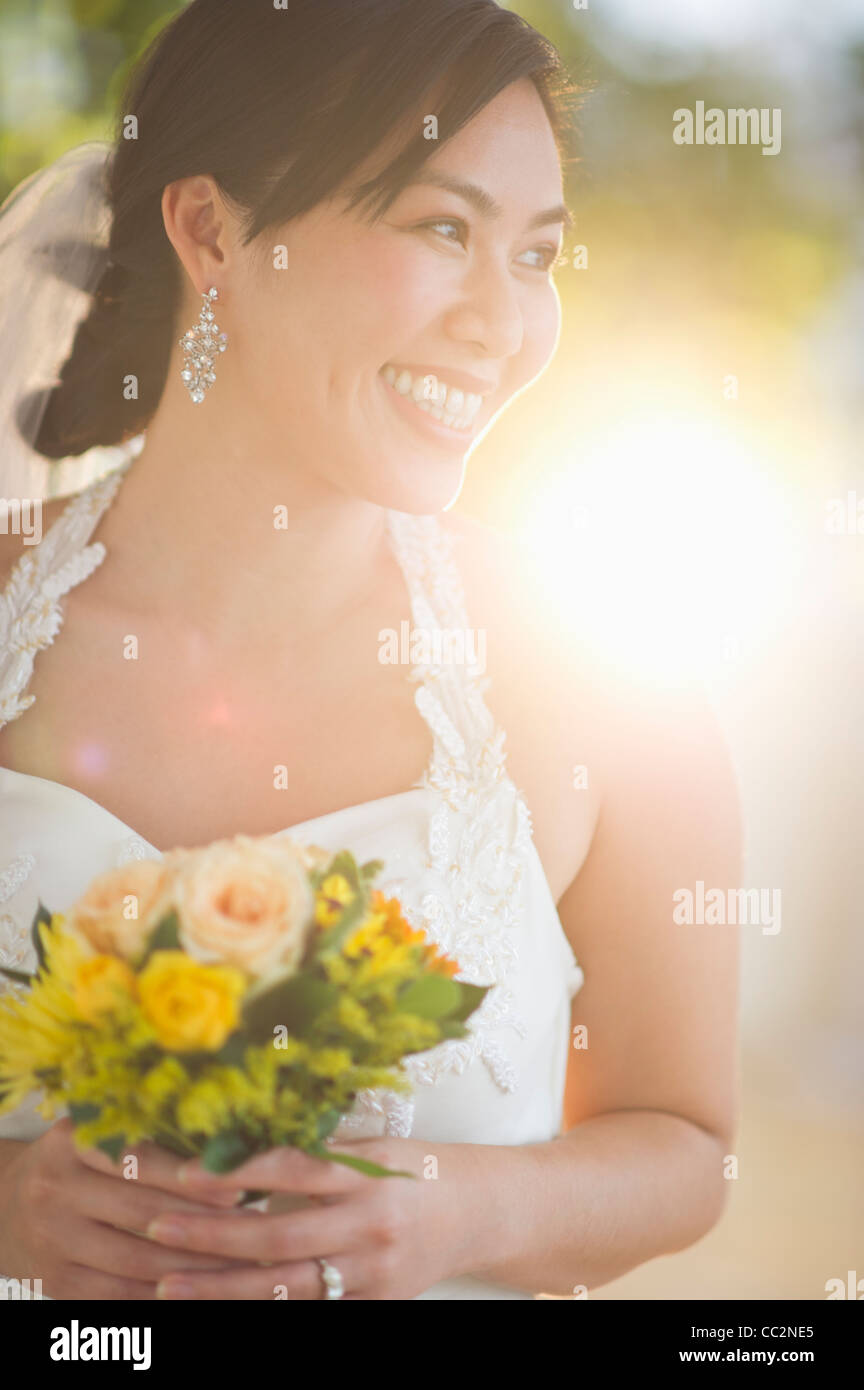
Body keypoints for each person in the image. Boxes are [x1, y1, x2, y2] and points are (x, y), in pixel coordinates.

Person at [0, 0, 740, 1301]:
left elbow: (687, 1150)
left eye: (535, 256)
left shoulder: (612, 677)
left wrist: (453, 1214)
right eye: (443, 229)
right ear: (213, 230)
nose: (503, 323)